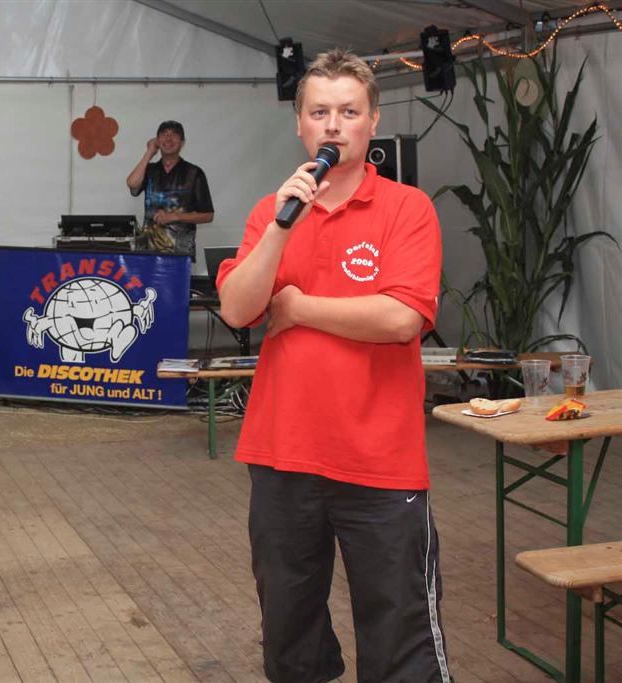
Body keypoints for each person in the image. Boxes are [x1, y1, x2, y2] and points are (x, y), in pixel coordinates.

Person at [217, 49, 450, 682]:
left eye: (349, 111)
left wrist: (297, 308)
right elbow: (238, 308)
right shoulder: (270, 212)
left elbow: (400, 318)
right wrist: (280, 229)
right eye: (319, 112)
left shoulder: (406, 208)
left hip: (379, 463)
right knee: (290, 641)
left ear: (373, 121)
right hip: (282, 457)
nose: (333, 125)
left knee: (400, 637)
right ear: (299, 124)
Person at [126, 120, 214, 258]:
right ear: (157, 141)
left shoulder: (194, 173)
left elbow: (208, 215)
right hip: (147, 250)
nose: (168, 138)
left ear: (182, 143)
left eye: (174, 135)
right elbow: (132, 183)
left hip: (181, 253)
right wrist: (149, 153)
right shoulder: (150, 170)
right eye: (164, 134)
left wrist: (175, 216)